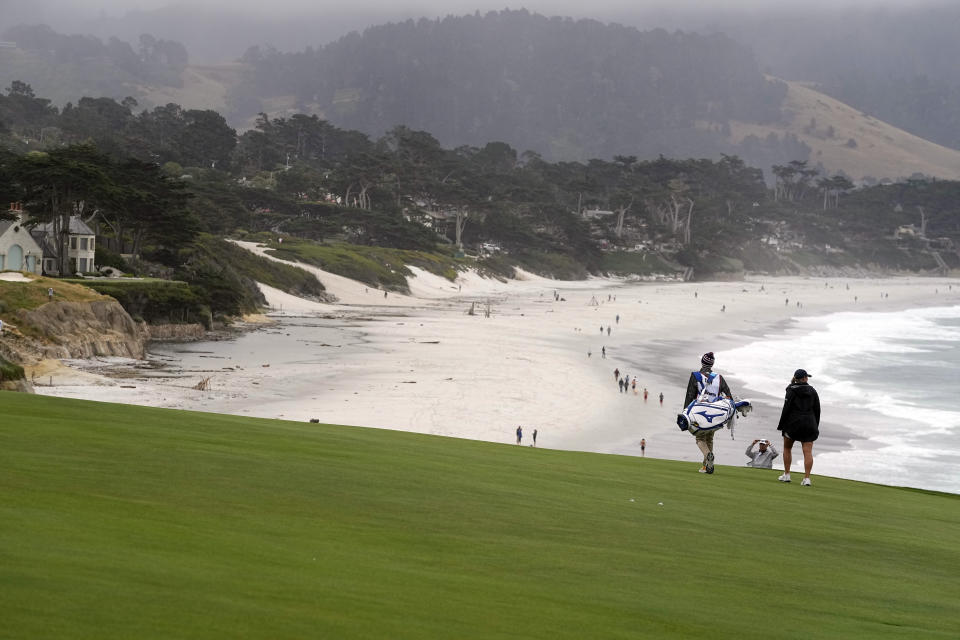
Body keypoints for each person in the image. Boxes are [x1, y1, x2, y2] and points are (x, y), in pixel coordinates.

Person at [684, 351, 733, 474]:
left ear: (702, 362)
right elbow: (728, 396)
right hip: (715, 413)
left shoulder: (695, 376)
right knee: (709, 438)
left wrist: (685, 413)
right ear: (712, 364)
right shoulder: (719, 378)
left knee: (700, 438)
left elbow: (690, 395)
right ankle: (706, 466)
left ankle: (708, 455)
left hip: (699, 413)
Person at [776, 369, 820, 485]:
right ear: (805, 378)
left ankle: (787, 475)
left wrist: (782, 425)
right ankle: (807, 479)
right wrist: (815, 426)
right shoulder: (813, 391)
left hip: (793, 423)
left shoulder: (791, 390)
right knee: (808, 452)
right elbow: (817, 410)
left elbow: (786, 408)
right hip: (809, 423)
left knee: (787, 448)